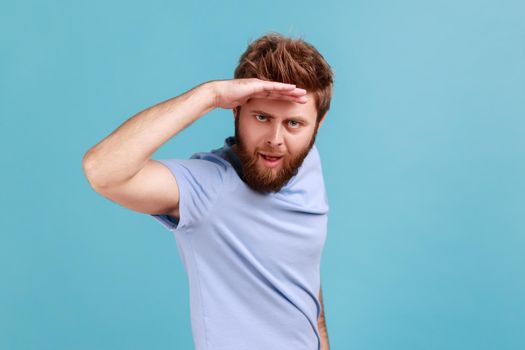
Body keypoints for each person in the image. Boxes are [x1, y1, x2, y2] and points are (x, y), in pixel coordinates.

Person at [82, 32, 334, 350]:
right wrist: (210, 94)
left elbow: (303, 279)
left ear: (318, 125)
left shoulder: (304, 163)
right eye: (261, 117)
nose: (275, 139)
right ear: (235, 111)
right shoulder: (208, 187)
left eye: (294, 124)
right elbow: (102, 171)